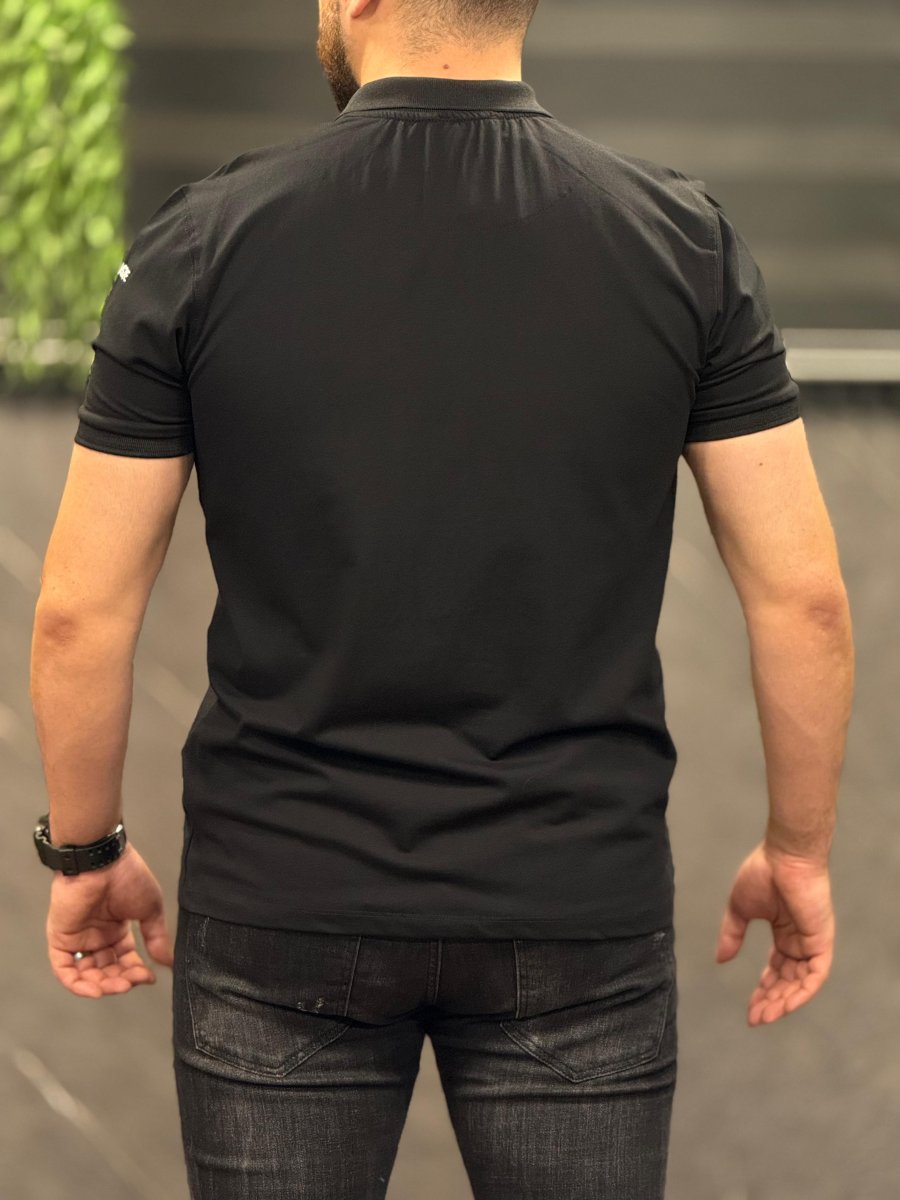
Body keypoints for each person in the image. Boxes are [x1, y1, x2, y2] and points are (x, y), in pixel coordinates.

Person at [30, 0, 854, 1196]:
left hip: (283, 902)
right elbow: (804, 599)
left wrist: (87, 851)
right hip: (574, 907)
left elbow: (80, 611)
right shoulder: (682, 240)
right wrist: (798, 850)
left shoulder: (201, 240)